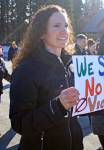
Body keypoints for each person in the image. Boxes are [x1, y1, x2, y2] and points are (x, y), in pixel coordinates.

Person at [9, 5, 83, 150]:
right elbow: (20, 123)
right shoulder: (26, 69)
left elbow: (80, 102)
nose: (64, 31)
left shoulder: (70, 63)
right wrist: (58, 106)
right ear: (42, 32)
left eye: (66, 26)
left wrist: (103, 108)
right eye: (56, 26)